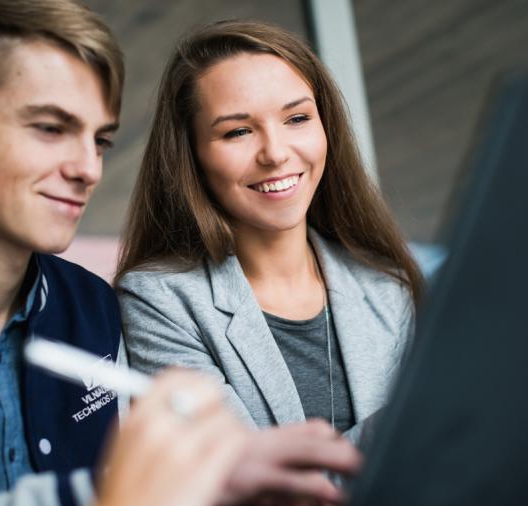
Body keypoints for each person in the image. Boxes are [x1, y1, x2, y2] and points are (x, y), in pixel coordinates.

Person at [0, 3, 361, 506]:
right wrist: (118, 505)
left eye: (100, 140)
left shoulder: (92, 307)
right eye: (51, 129)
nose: (87, 169)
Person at [117, 20, 422, 446]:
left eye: (297, 118)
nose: (276, 153)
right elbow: (242, 491)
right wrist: (417, 420)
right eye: (238, 131)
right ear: (192, 155)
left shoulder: (387, 287)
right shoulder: (161, 302)